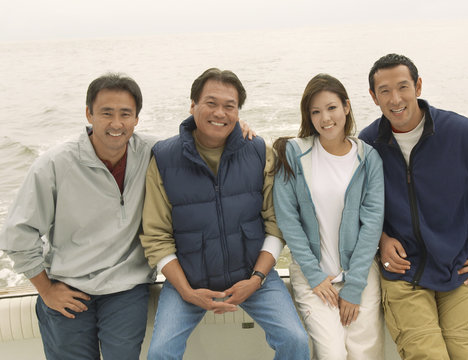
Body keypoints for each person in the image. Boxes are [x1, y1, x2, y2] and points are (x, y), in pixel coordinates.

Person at [359, 53, 468, 360]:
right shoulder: (369, 143)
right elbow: (356, 207)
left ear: (418, 86)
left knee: (463, 354)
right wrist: (381, 241)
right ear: (373, 97)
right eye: (384, 90)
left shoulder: (462, 134)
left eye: (403, 87)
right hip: (403, 272)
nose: (395, 98)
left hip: (460, 270)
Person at [140, 67, 310, 360]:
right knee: (160, 353)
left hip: (253, 276)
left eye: (229, 106)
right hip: (189, 281)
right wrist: (188, 291)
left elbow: (275, 225)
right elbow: (156, 236)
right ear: (192, 105)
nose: (220, 113)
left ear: (238, 112)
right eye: (211, 103)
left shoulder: (258, 150)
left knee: (295, 341)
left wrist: (256, 280)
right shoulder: (164, 158)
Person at [0, 73, 156, 359]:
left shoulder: (154, 153)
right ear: (89, 114)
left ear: (136, 119)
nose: (116, 124)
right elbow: (17, 234)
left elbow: (203, 143)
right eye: (106, 113)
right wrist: (46, 290)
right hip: (68, 285)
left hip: (126, 285)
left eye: (126, 114)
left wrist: (240, 129)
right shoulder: (53, 164)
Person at [272, 74, 385, 359]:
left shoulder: (369, 158)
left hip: (359, 274)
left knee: (365, 354)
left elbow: (372, 223)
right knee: (331, 353)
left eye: (332, 107)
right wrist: (315, 276)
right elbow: (288, 220)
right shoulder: (293, 154)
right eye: (316, 111)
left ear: (346, 107)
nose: (325, 118)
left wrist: (355, 284)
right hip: (314, 278)